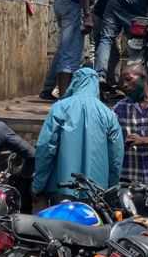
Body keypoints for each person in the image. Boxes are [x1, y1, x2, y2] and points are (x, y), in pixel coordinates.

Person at [32, 66, 124, 203]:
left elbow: (45, 148)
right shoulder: (108, 114)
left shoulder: (60, 108)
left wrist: (37, 185)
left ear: (74, 83)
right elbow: (116, 156)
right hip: (96, 192)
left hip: (61, 189)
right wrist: (111, 187)